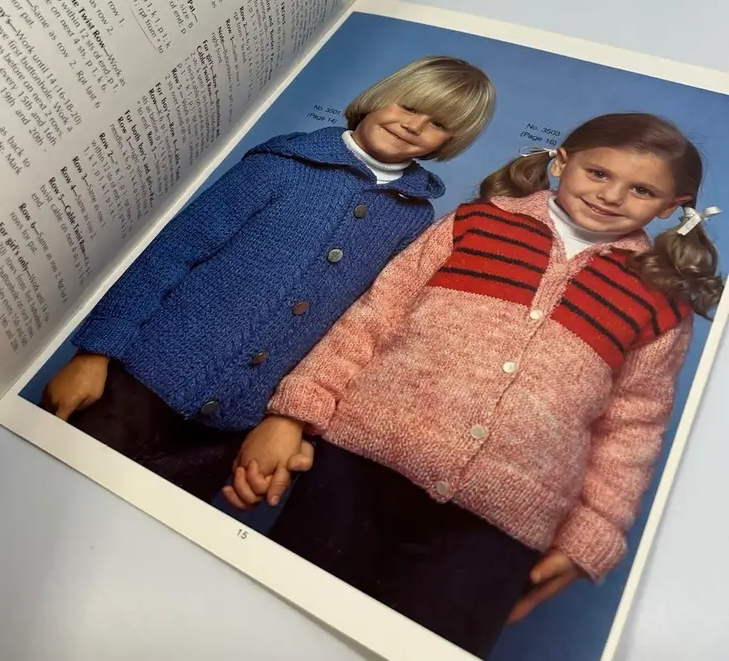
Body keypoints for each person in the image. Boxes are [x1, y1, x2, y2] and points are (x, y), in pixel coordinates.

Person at [225, 113, 723, 659]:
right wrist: (292, 413)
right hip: (356, 469)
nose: (611, 196)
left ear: (672, 207)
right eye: (598, 173)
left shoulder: (659, 298)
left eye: (642, 190)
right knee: (283, 628)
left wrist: (593, 533)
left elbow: (634, 427)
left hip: (499, 526)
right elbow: (372, 319)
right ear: (561, 162)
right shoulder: (476, 223)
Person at [41, 55, 495, 503]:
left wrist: (298, 424)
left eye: (437, 124)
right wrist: (94, 353)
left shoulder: (413, 217)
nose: (413, 126)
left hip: (235, 425)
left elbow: (356, 325)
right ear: (380, 97)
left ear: (449, 142)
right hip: (135, 382)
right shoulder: (283, 163)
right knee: (53, 495)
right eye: (409, 106)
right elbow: (171, 254)